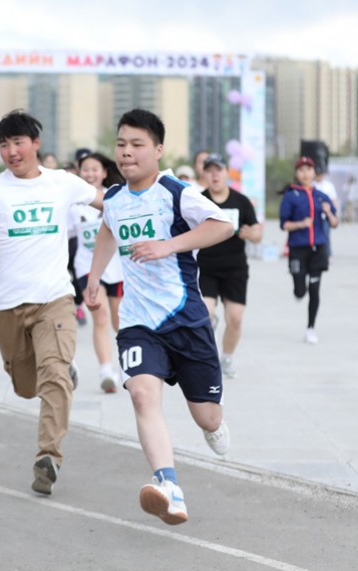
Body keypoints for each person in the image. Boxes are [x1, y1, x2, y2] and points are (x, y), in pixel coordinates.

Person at [83, 109, 233, 525]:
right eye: (121, 144)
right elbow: (108, 229)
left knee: (207, 416)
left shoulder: (175, 191)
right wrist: (94, 277)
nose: (126, 152)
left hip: (186, 319)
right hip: (137, 322)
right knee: (142, 395)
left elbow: (222, 226)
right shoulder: (114, 198)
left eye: (137, 144)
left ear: (158, 149)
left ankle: (214, 423)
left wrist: (168, 245)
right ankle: (169, 487)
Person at [0, 110, 101, 495]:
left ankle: (48, 457)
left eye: (18, 142)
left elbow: (107, 202)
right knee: (26, 387)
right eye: (4, 145)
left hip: (54, 298)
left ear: (36, 143)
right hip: (6, 306)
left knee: (54, 374)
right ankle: (61, 370)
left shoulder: (62, 182)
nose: (11, 151)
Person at [198, 154, 262, 377]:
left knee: (234, 319)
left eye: (218, 170)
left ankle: (226, 358)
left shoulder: (241, 201)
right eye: (210, 171)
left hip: (234, 268)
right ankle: (207, 358)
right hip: (205, 267)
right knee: (206, 313)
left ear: (227, 173)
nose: (214, 175)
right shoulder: (198, 201)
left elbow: (257, 233)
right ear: (204, 175)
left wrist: (251, 234)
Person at [73, 151, 125, 393]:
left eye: (95, 169)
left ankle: (127, 366)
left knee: (119, 320)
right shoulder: (73, 201)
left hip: (116, 268)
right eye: (85, 169)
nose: (90, 173)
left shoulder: (116, 197)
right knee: (100, 315)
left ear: (104, 172)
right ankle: (106, 371)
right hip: (86, 267)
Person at [279, 156, 339, 344]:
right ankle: (298, 291)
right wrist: (301, 224)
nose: (305, 174)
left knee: (315, 289)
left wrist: (328, 212)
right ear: (297, 173)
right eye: (301, 170)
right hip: (298, 249)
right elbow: (284, 224)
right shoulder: (291, 195)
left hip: (318, 249)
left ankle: (310, 328)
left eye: (309, 169)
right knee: (300, 291)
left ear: (314, 172)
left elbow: (335, 223)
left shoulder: (321, 196)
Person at [314, 167, 339, 258]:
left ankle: (328, 254)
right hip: (315, 215)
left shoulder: (328, 186)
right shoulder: (312, 184)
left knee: (326, 235)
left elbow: (334, 200)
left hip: (325, 215)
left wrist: (334, 213)